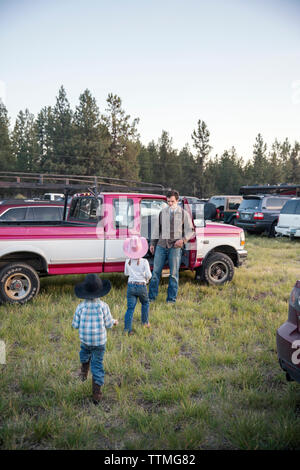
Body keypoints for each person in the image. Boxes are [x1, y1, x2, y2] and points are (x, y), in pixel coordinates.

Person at [72, 273, 118, 404]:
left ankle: (83, 373)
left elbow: (75, 324)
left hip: (85, 340)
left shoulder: (80, 306)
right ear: (100, 291)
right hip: (99, 342)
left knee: (84, 353)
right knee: (97, 365)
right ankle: (96, 394)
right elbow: (109, 324)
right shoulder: (103, 306)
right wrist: (114, 322)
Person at [148, 189, 195, 304]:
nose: (170, 204)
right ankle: (151, 298)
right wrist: (152, 243)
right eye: (168, 201)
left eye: (172, 201)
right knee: (155, 274)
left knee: (173, 274)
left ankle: (171, 300)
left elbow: (191, 230)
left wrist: (183, 240)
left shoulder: (184, 214)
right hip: (161, 246)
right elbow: (156, 229)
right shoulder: (162, 212)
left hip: (175, 248)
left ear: (177, 201)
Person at [123, 236, 152, 335]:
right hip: (141, 286)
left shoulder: (127, 261)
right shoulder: (144, 262)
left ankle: (127, 329)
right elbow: (149, 275)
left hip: (131, 286)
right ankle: (145, 322)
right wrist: (146, 280)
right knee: (145, 303)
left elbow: (126, 273)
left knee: (130, 308)